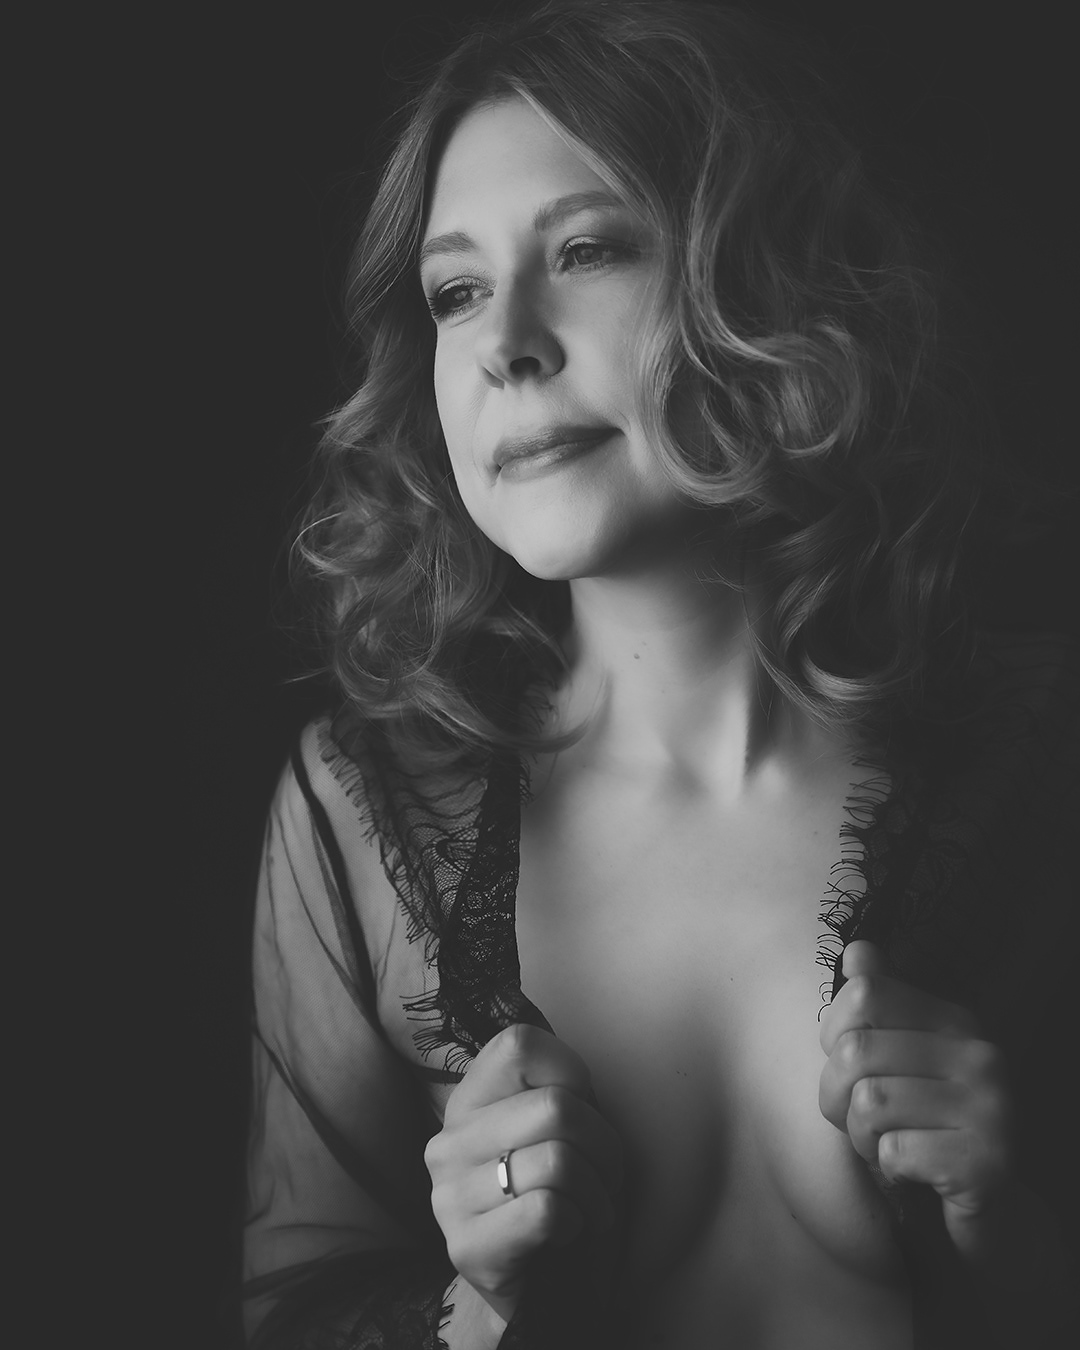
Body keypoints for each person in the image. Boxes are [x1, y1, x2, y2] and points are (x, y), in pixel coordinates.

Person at [241, 3, 1077, 1346]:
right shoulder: (356, 814)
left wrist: (1022, 1250)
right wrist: (478, 1308)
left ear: (763, 280)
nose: (506, 340)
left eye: (585, 249)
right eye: (456, 290)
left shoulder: (1042, 763)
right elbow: (289, 1314)